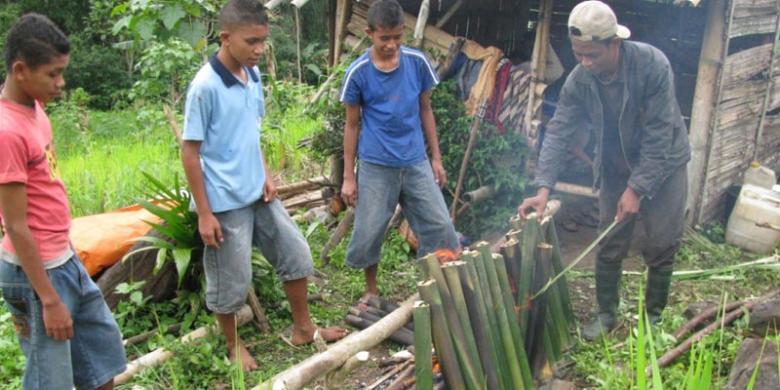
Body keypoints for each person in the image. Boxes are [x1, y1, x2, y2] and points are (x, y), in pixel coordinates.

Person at [181, 0, 347, 371]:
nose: (259, 50)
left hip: (258, 191)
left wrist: (266, 174)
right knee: (232, 281)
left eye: (263, 42)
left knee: (296, 253)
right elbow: (190, 153)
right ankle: (232, 345)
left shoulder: (252, 76)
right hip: (224, 202)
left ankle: (304, 328)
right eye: (251, 41)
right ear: (225, 38)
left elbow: (250, 133)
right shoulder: (204, 87)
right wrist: (204, 213)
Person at [517, 0, 690, 341]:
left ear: (615, 43)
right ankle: (606, 314)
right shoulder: (580, 79)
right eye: (579, 54)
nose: (585, 62)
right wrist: (543, 189)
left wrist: (637, 188)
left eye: (592, 55)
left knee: (661, 241)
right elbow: (560, 129)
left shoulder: (652, 65)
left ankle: (653, 318)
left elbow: (660, 133)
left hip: (665, 163)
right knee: (610, 239)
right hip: (614, 166)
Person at [0, 13, 127, 389]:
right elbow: (15, 224)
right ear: (21, 70)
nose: (61, 83)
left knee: (102, 358)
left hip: (64, 259)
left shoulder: (34, 111)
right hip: (35, 274)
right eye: (53, 74)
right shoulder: (6, 132)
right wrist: (49, 299)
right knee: (50, 380)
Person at [340, 0, 460, 306]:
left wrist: (436, 158)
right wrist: (348, 178)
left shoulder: (417, 63)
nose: (392, 45)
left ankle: (434, 285)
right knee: (369, 229)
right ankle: (370, 289)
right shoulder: (359, 73)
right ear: (370, 33)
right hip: (376, 163)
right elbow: (352, 125)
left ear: (403, 32)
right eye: (384, 38)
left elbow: (425, 110)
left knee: (440, 225)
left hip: (415, 160)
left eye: (397, 37)